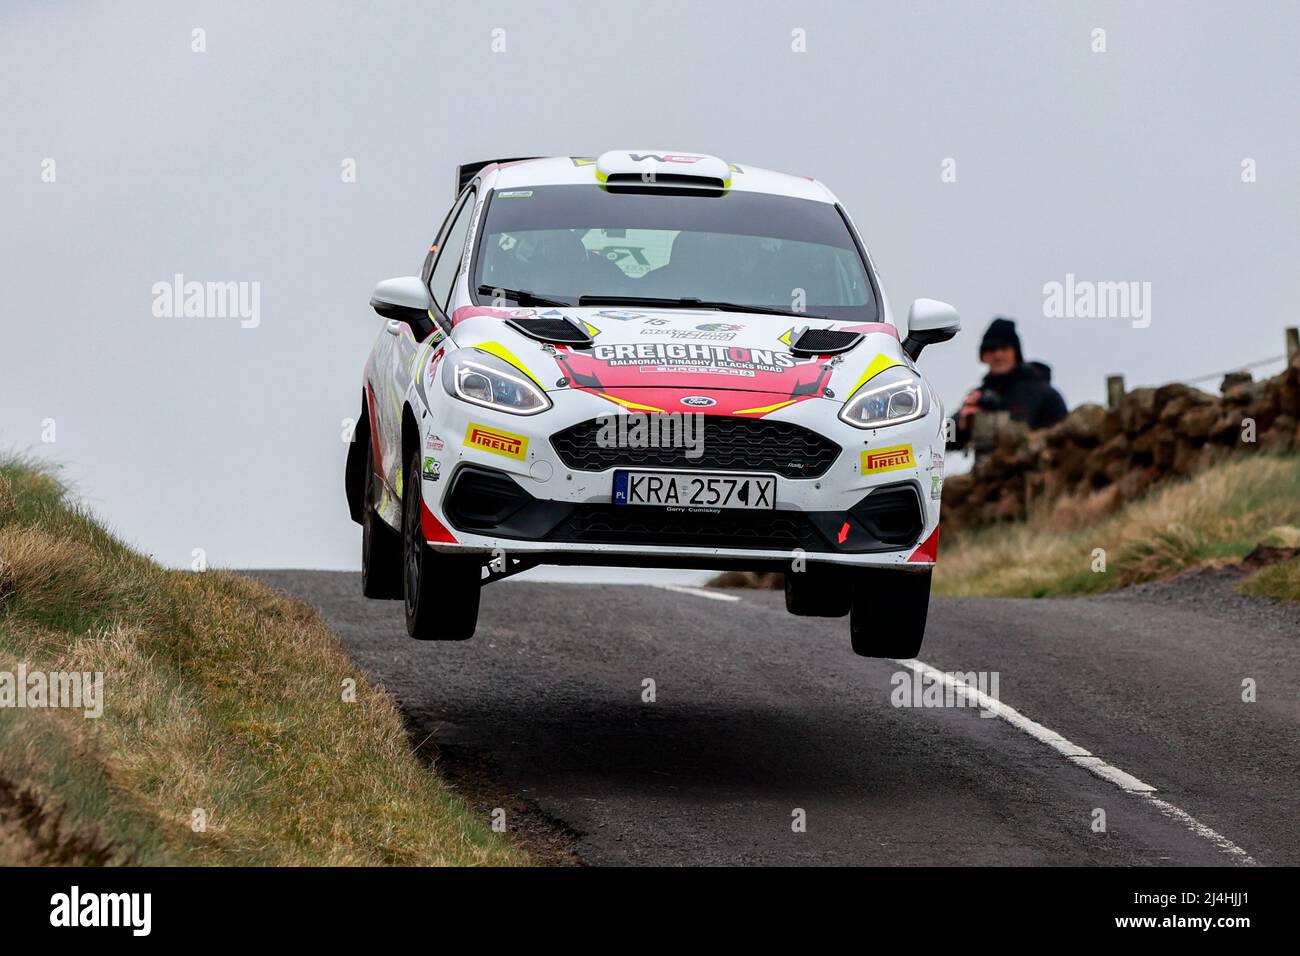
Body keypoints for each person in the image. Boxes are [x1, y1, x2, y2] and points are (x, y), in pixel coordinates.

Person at [951, 317, 1067, 448]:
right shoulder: (978, 397)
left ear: (1015, 352)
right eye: (992, 349)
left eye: (1004, 348)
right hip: (987, 468)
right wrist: (962, 424)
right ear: (983, 356)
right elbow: (941, 437)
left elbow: (1065, 441)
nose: (998, 355)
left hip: (1034, 467)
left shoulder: (1045, 395)